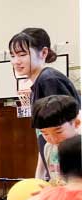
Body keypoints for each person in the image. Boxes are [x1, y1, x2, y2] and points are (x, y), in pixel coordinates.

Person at [8, 27, 80, 180]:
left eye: (22, 54)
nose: (16, 61)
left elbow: (69, 129)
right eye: (13, 55)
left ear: (44, 53)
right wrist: (39, 176)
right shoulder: (39, 84)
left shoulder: (49, 80)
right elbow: (46, 135)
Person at [31, 95, 81, 186]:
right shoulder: (49, 147)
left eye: (58, 131)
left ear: (76, 123)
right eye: (45, 133)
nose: (53, 139)